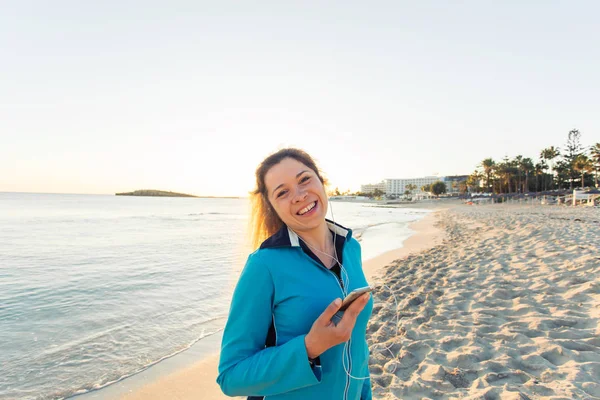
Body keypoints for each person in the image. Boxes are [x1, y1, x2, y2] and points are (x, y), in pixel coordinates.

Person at [217, 148, 373, 400]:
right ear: (272, 207)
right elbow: (231, 377)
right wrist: (309, 347)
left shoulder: (351, 247)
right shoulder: (264, 265)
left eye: (304, 180)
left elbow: (358, 349)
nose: (299, 195)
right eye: (282, 192)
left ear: (322, 182)